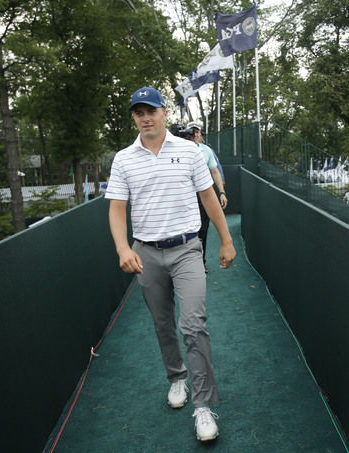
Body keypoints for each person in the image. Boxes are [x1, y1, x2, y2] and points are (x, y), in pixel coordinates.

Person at [106, 87, 236, 442]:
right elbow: (117, 208)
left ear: (165, 113)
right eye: (139, 112)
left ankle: (204, 406)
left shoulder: (190, 151)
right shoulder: (123, 159)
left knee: (193, 324)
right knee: (163, 323)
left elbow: (208, 196)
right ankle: (177, 378)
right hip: (145, 254)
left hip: (187, 249)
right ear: (134, 117)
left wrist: (226, 240)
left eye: (152, 110)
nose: (146, 117)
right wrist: (122, 248)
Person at [185, 121, 228, 273]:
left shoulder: (207, 151)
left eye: (197, 132)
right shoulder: (178, 148)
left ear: (201, 135)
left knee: (202, 231)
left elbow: (215, 172)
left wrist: (221, 192)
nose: (195, 135)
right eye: (192, 131)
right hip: (184, 198)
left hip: (203, 197)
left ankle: (200, 263)